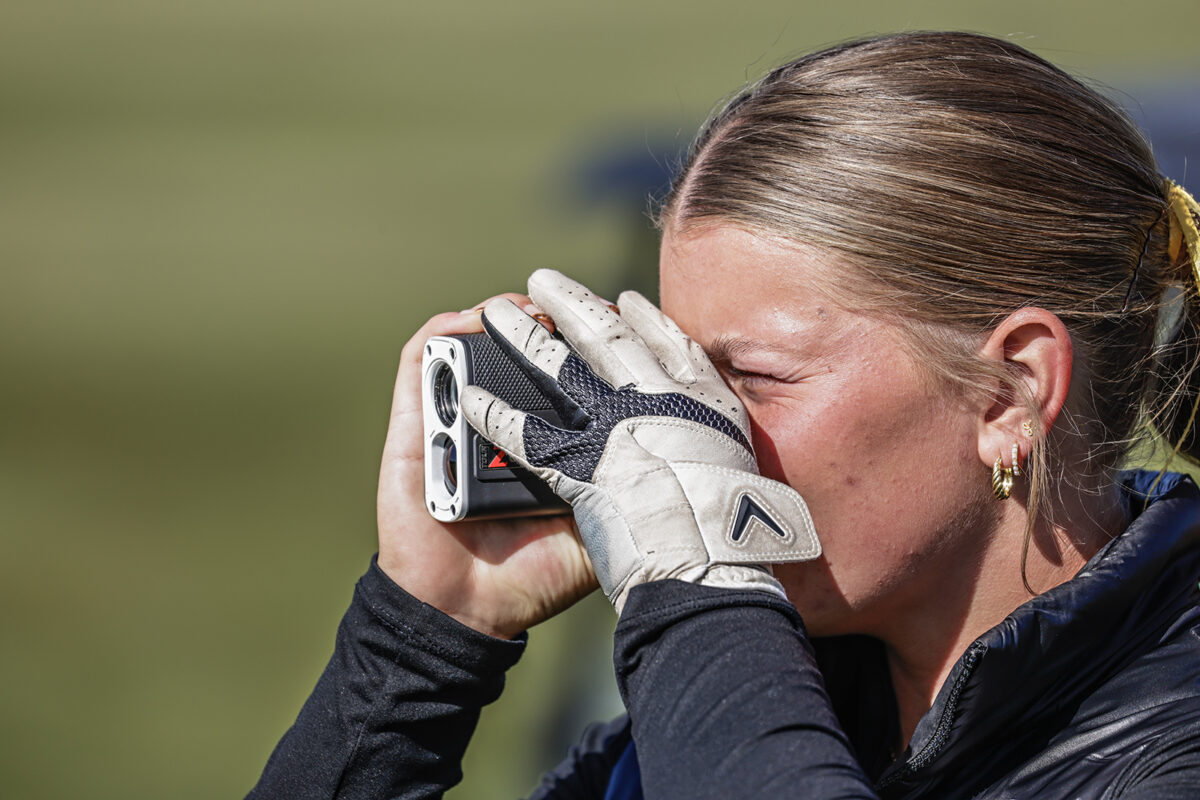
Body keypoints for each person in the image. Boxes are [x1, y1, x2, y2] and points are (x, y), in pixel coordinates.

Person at [247, 31, 1200, 799]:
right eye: (667, 372)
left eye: (752, 376)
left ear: (1012, 393)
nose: (679, 428)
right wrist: (419, 646)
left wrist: (698, 590)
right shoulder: (785, 695)